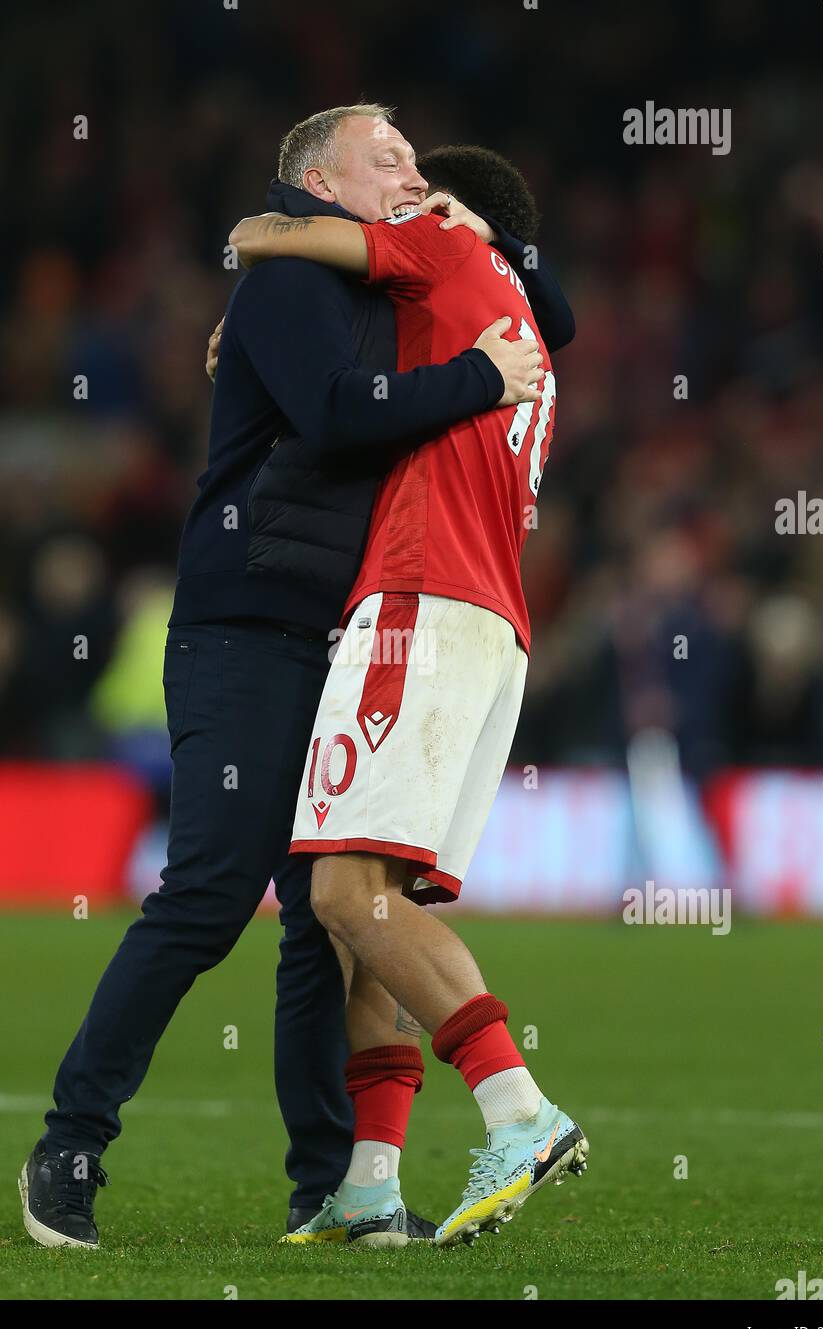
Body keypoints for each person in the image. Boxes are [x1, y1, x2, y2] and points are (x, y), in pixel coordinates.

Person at [19, 106, 548, 1250]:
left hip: (349, 637)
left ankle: (328, 1185)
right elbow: (336, 416)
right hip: (248, 627)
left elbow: (544, 312)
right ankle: (71, 1140)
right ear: (319, 180)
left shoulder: (391, 287)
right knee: (211, 894)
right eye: (387, 155)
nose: (411, 168)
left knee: (333, 923)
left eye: (418, 158)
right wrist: (476, 377)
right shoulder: (290, 286)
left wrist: (490, 256)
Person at [227, 144, 587, 1249]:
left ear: (454, 208)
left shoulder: (441, 245)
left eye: (416, 178)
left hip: (422, 606)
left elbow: (287, 237)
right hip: (489, 625)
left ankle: (519, 1111)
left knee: (338, 897)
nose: (406, 192)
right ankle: (371, 1182)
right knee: (372, 915)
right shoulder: (519, 317)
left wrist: (260, 264)